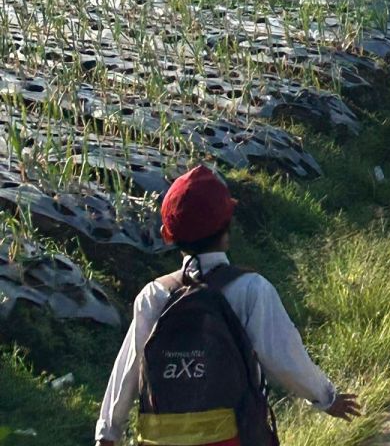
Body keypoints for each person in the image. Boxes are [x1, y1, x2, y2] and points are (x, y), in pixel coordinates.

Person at [94, 165, 360, 446]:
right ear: (227, 229)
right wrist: (326, 398)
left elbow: (128, 370)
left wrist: (107, 434)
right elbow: (284, 357)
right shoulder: (250, 289)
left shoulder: (154, 295)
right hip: (232, 437)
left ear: (167, 235)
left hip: (161, 438)